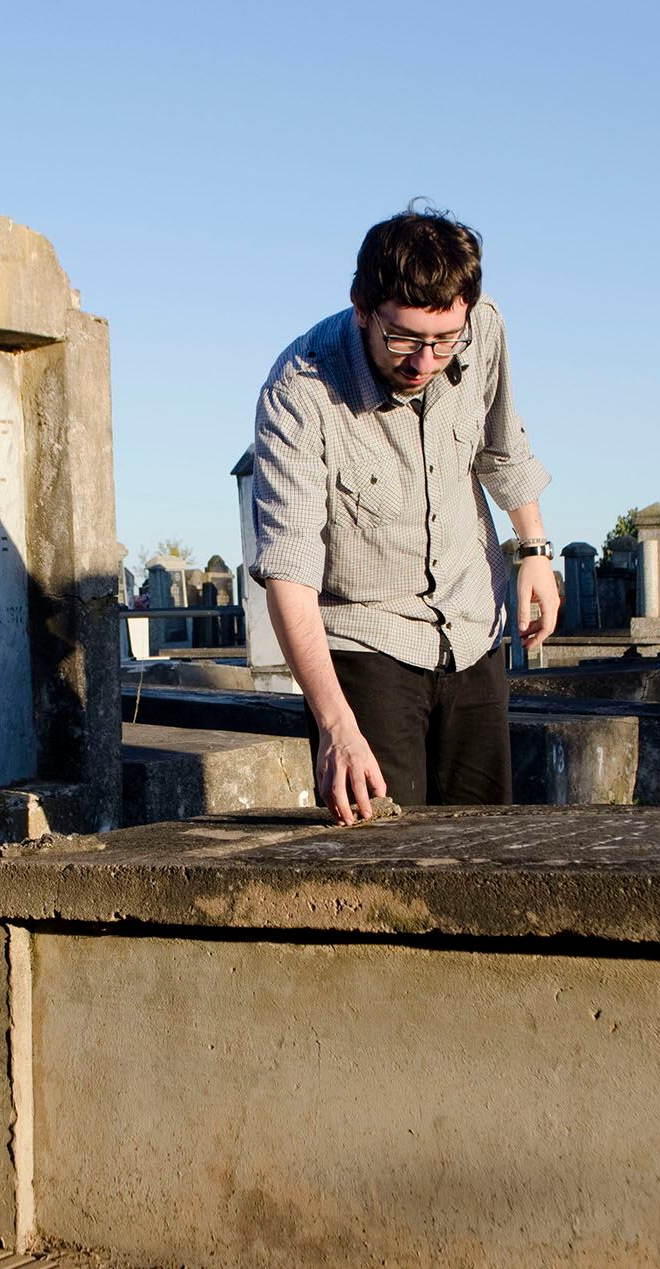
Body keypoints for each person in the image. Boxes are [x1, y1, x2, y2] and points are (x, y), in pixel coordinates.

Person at [248, 205, 557, 824]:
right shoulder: (299, 390)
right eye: (404, 340)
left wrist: (534, 550)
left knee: (487, 850)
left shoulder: (484, 327)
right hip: (367, 642)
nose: (424, 362)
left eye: (444, 343)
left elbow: (503, 445)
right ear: (362, 307)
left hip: (472, 626)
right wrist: (335, 724)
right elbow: (289, 571)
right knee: (383, 857)